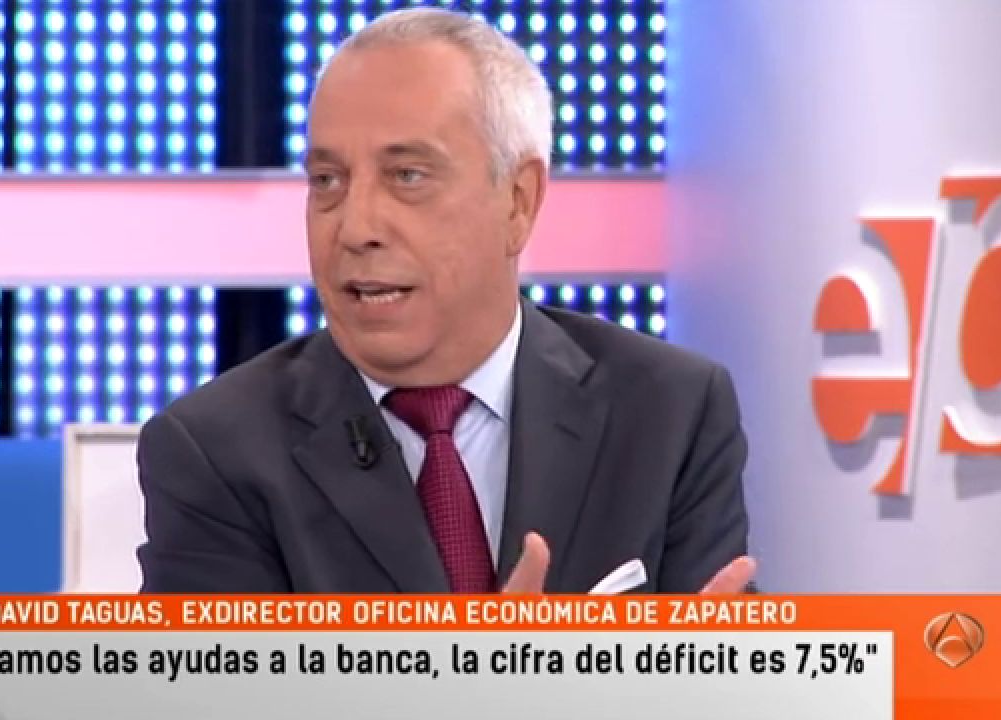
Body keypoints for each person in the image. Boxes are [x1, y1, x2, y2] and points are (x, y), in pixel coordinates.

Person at [136, 7, 756, 595]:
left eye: (407, 176)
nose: (355, 228)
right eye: (328, 181)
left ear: (518, 202)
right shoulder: (216, 452)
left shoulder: (668, 411)